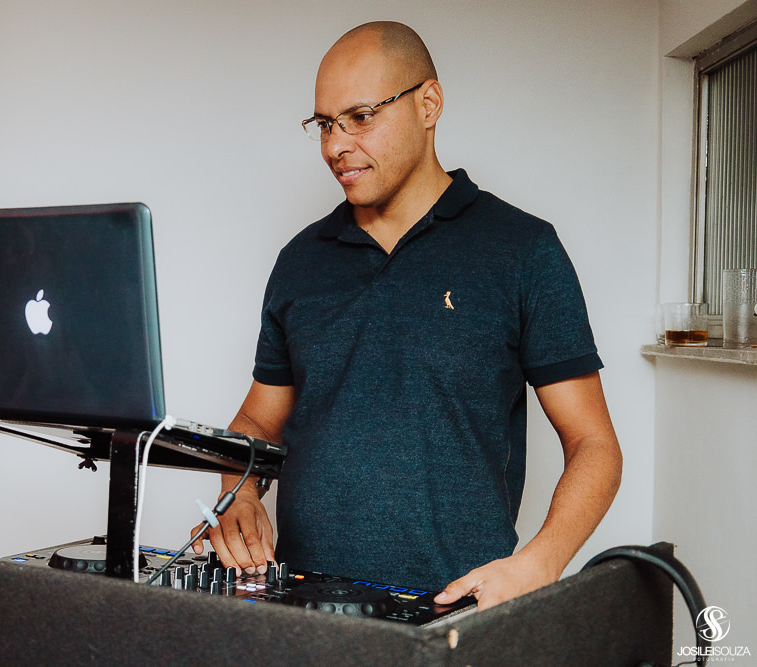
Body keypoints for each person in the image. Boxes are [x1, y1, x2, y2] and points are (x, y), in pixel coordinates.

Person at [190, 21, 622, 611]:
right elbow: (258, 421)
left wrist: (540, 563)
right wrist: (236, 493)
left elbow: (594, 443)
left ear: (429, 104)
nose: (335, 145)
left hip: (456, 612)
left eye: (360, 117)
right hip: (302, 610)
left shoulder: (523, 250)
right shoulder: (299, 261)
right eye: (323, 124)